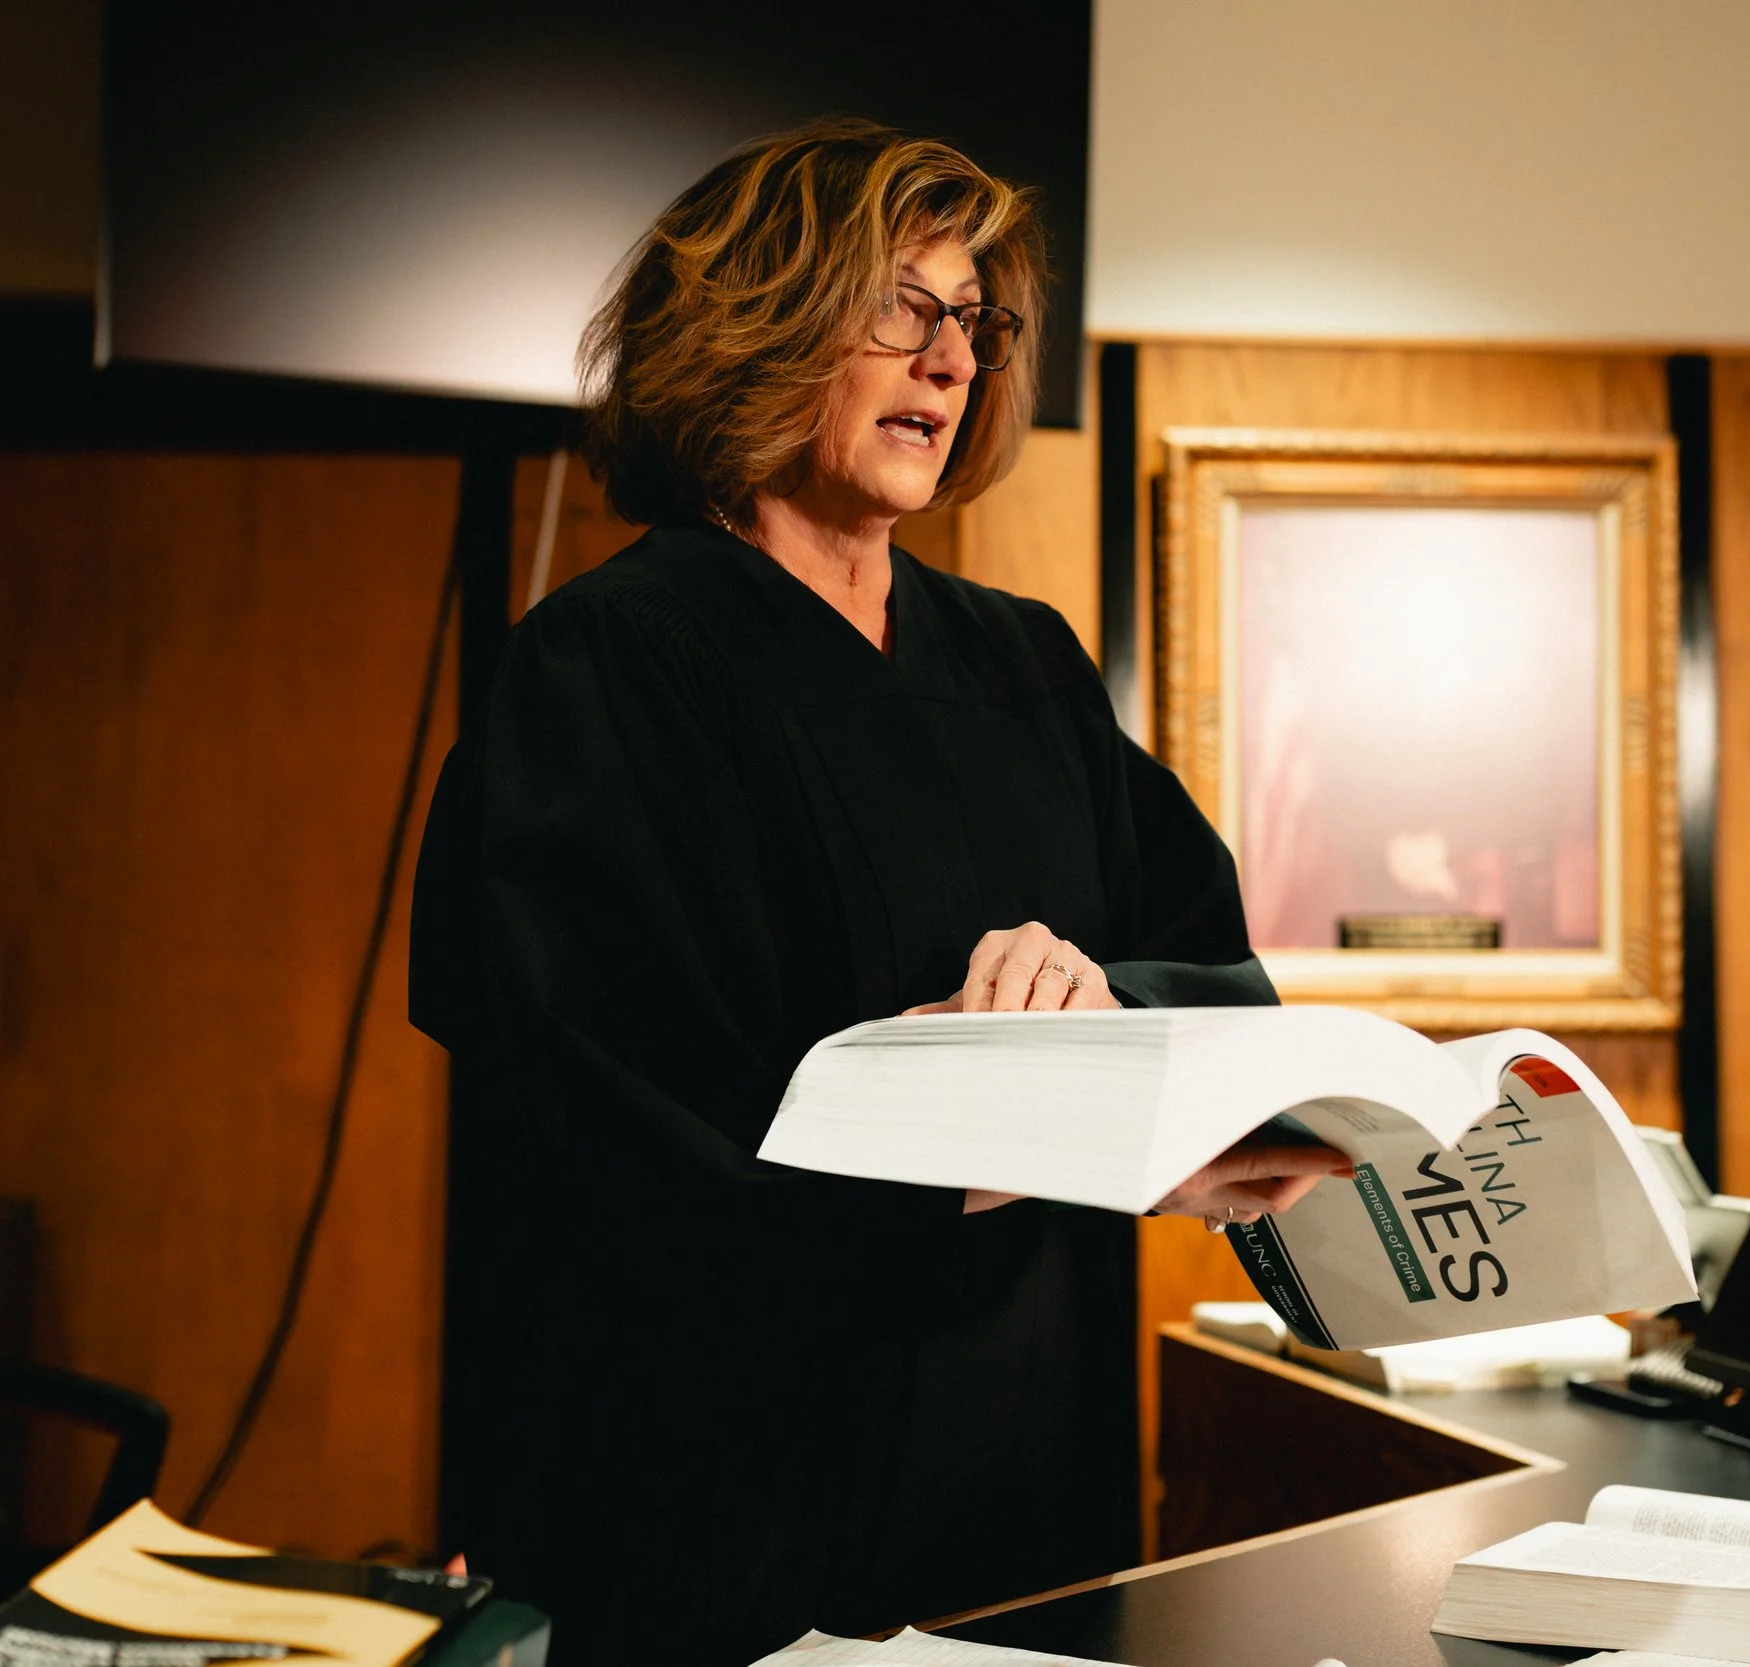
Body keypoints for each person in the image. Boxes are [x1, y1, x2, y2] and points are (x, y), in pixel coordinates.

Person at [408, 119, 1347, 1667]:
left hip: (1026, 1480)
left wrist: (1113, 1033)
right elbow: (602, 1132)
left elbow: (1208, 969)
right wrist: (975, 1125)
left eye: (971, 320)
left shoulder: (1022, 659)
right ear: (755, 322)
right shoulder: (608, 665)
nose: (952, 358)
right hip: (724, 1505)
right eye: (902, 309)